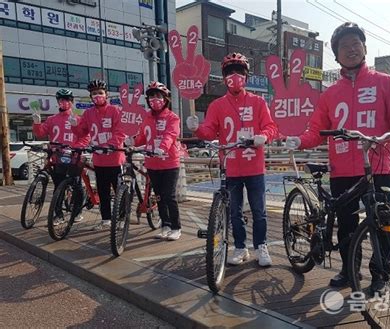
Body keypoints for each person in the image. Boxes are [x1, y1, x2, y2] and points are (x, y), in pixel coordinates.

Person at [286, 22, 390, 288]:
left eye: (355, 43)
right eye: (344, 46)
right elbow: (317, 130)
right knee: (346, 224)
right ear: (336, 55)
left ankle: (381, 272)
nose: (351, 49)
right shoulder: (330, 93)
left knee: (382, 221)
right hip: (343, 167)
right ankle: (349, 271)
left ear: (365, 48)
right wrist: (299, 140)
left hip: (378, 164)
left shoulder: (384, 82)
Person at [186, 52, 278, 267]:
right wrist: (196, 128)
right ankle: (240, 247)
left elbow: (271, 126)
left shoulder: (257, 102)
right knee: (233, 210)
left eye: (239, 72)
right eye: (229, 72)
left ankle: (261, 246)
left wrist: (264, 136)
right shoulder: (217, 105)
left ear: (246, 76)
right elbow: (210, 131)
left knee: (259, 210)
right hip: (230, 165)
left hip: (254, 165)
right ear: (224, 77)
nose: (234, 76)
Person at [127, 81, 182, 241]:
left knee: (169, 196)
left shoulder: (173, 118)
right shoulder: (146, 117)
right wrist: (133, 141)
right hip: (152, 162)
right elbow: (143, 136)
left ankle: (176, 227)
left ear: (165, 99)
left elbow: (171, 135)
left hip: (169, 162)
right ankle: (165, 225)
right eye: (151, 97)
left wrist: (163, 148)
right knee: (158, 196)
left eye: (158, 96)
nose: (154, 100)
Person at [70, 79, 126, 230]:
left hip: (115, 159)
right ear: (90, 96)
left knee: (119, 190)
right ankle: (106, 220)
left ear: (106, 94)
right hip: (99, 160)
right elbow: (82, 132)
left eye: (100, 93)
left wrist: (110, 145)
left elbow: (120, 131)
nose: (97, 96)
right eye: (94, 93)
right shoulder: (88, 113)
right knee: (103, 191)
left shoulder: (115, 110)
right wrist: (74, 126)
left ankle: (121, 218)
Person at [33, 89, 89, 223]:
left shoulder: (78, 118)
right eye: (61, 100)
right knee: (58, 187)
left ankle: (77, 212)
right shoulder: (52, 119)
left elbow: (86, 136)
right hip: (57, 156)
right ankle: (58, 214)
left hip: (73, 156)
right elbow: (40, 133)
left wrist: (77, 147)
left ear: (71, 102)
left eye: (67, 100)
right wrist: (36, 123)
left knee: (76, 185)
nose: (63, 102)